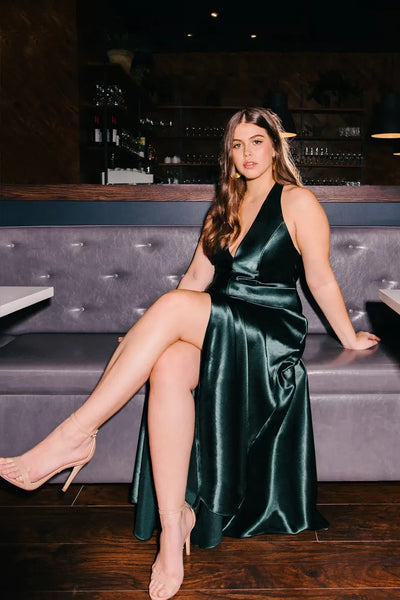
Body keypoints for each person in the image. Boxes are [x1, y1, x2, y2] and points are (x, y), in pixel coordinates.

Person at [0, 107, 380, 600]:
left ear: (275, 146)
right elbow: (197, 281)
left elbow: (320, 277)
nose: (247, 154)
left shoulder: (298, 200)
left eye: (256, 142)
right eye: (237, 145)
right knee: (166, 363)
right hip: (222, 321)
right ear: (229, 154)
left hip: (270, 327)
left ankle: (75, 435)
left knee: (173, 310)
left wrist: (349, 337)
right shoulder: (223, 205)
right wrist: (150, 335)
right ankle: (173, 523)